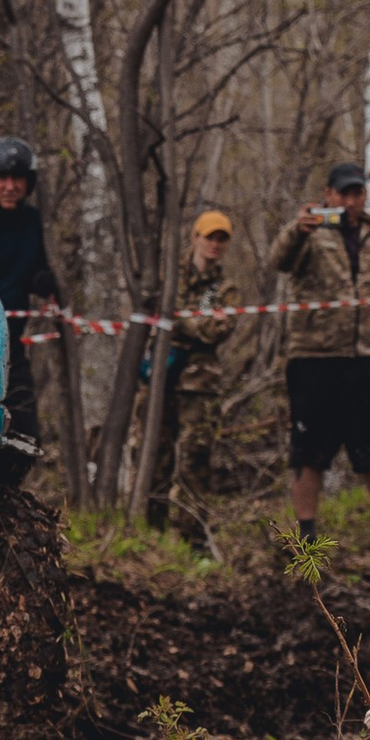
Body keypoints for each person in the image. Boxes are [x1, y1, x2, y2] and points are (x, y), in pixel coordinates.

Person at [274, 159, 370, 554]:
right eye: (344, 192)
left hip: (369, 357)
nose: (351, 200)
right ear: (329, 194)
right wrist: (296, 229)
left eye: (357, 192)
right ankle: (306, 539)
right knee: (308, 450)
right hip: (315, 357)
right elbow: (278, 261)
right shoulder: (309, 234)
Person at [142, 206, 240, 524]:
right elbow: (159, 308)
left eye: (221, 239)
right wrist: (191, 321)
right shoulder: (168, 275)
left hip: (200, 380)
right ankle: (149, 528)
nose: (214, 244)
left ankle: (192, 533)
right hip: (160, 372)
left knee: (195, 456)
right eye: (210, 237)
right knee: (154, 449)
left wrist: (178, 320)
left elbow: (216, 331)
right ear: (195, 237)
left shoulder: (227, 288)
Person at [0, 134, 62, 444]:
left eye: (18, 178)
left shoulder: (34, 222)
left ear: (29, 183)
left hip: (11, 347)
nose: (10, 186)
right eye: (2, 178)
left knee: (25, 432)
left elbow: (37, 270)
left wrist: (42, 279)